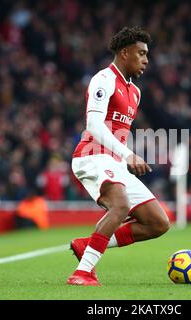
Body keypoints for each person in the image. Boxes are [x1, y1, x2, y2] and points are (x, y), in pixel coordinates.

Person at [67, 26, 170, 286]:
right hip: (91, 156)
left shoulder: (135, 92)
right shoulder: (103, 79)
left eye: (147, 54)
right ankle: (82, 273)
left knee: (158, 223)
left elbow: (117, 131)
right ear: (125, 52)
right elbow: (94, 124)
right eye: (141, 53)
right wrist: (128, 154)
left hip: (112, 162)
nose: (146, 60)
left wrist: (123, 157)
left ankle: (88, 245)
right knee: (120, 205)